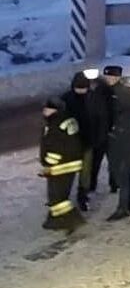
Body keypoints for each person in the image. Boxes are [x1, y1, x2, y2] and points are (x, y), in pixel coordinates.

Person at [102, 66, 130, 221]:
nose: (108, 79)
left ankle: (123, 208)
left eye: (110, 77)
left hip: (120, 143)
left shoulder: (114, 97)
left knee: (123, 175)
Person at [61, 72, 109, 210]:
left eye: (83, 90)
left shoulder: (94, 99)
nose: (81, 93)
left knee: (85, 173)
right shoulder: (66, 100)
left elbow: (102, 119)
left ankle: (82, 196)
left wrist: (99, 138)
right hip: (71, 144)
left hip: (88, 142)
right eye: (78, 90)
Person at [39, 97, 86, 231]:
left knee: (56, 198)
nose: (44, 111)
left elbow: (55, 147)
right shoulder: (67, 120)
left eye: (47, 109)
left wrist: (49, 165)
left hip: (60, 166)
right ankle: (54, 220)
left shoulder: (55, 124)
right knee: (59, 195)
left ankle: (74, 220)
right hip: (69, 164)